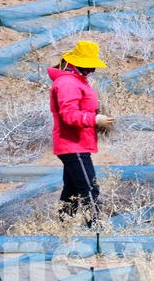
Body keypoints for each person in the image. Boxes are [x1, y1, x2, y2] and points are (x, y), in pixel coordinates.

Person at [48, 40, 114, 225]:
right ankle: (97, 228)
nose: (92, 69)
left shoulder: (75, 80)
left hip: (77, 143)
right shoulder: (68, 83)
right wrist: (95, 119)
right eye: (89, 65)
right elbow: (69, 115)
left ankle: (64, 227)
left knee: (72, 190)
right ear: (78, 64)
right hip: (72, 144)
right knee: (89, 189)